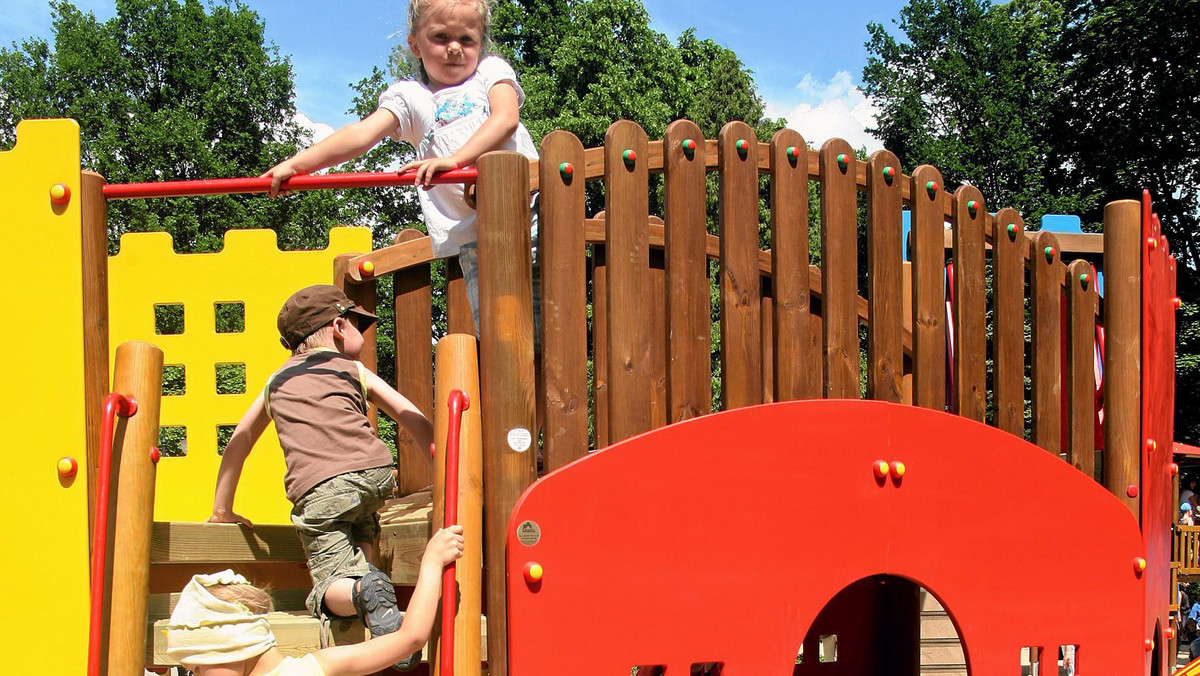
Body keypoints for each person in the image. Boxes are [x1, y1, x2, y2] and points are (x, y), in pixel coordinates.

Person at [261, 0, 540, 332]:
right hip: (474, 237)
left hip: (531, 215)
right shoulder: (412, 98)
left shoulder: (490, 72)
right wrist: (297, 164)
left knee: (546, 322)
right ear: (415, 44)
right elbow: (361, 134)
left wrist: (454, 160)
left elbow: (506, 118)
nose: (454, 48)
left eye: (467, 39)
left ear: (481, 43)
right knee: (500, 335)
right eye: (440, 37)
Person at [208, 284, 435, 670]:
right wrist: (442, 478)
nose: (361, 335)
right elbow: (410, 416)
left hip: (321, 488)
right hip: (375, 475)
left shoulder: (276, 382)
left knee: (330, 582)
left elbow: (239, 441)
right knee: (363, 527)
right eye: (358, 327)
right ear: (338, 325)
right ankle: (376, 608)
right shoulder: (354, 370)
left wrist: (221, 509)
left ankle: (363, 592)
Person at [165, 525, 465, 676]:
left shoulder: (309, 670)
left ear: (233, 646)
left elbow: (411, 638)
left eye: (200, 668)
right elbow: (409, 638)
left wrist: (432, 562)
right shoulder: (312, 668)